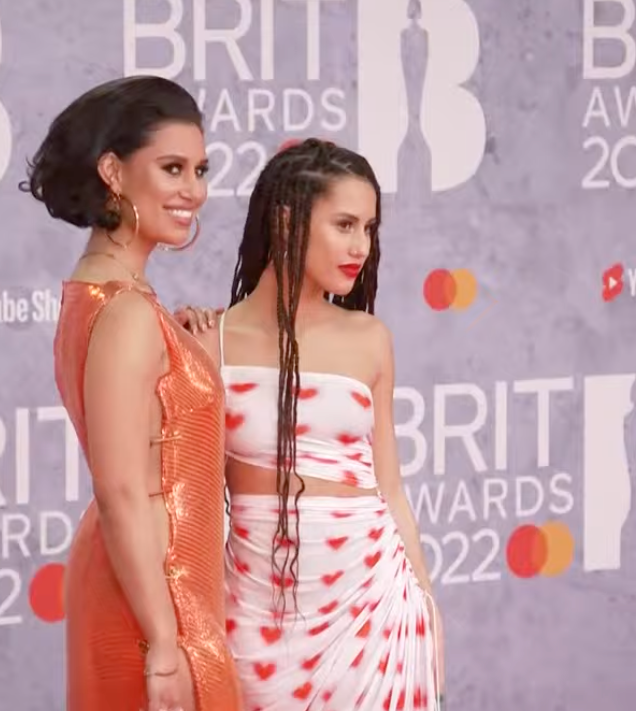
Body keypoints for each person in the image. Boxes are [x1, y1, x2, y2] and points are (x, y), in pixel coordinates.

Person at [186, 138, 445, 710]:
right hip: (256, 614)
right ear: (287, 220)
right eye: (345, 224)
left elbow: (391, 488)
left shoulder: (369, 339)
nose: (361, 246)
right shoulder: (209, 341)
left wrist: (425, 602)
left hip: (375, 606)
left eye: (370, 228)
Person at [21, 75, 242, 711]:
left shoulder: (118, 300)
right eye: (172, 168)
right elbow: (120, 491)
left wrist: (187, 353)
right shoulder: (124, 312)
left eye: (200, 169)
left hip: (159, 576)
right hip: (152, 589)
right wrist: (166, 643)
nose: (193, 191)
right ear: (113, 172)